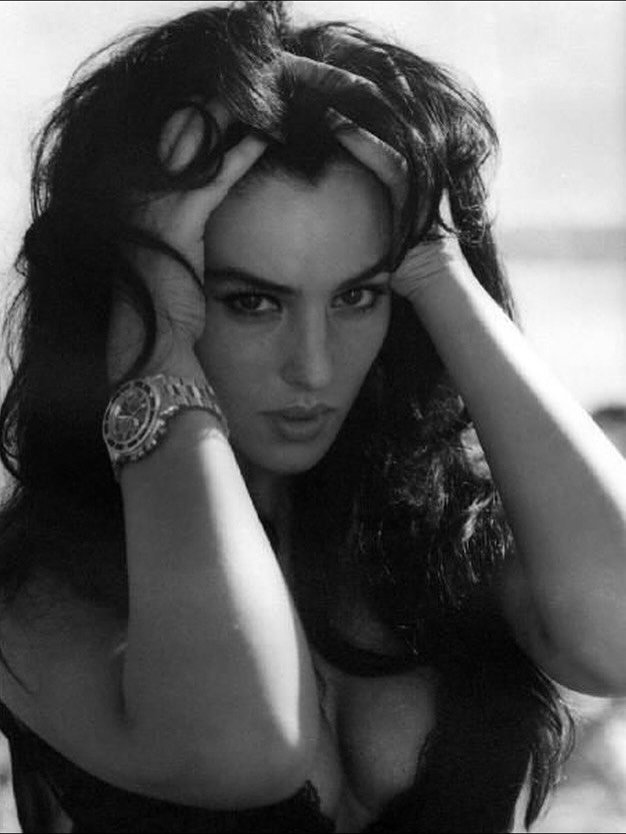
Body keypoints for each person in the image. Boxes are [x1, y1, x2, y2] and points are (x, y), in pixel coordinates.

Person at [0, 2, 625, 831]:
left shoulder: (453, 541)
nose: (315, 368)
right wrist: (155, 338)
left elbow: (618, 636)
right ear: (124, 291)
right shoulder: (36, 594)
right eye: (250, 301)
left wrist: (437, 265)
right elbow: (245, 746)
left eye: (358, 295)